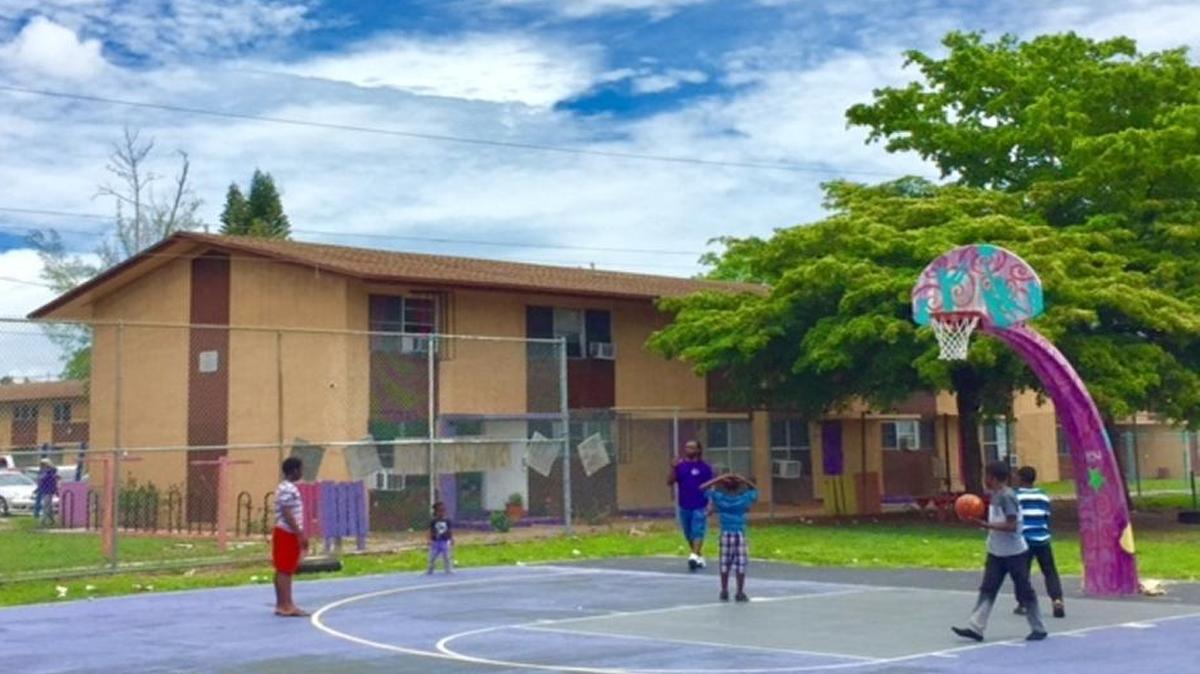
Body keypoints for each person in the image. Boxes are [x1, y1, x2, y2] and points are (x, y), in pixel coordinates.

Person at [953, 460, 1047, 642]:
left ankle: (1038, 627)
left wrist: (985, 524)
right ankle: (976, 627)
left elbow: (1012, 525)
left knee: (1024, 590)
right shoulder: (995, 495)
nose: (984, 479)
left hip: (1014, 552)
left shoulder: (1007, 497)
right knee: (988, 588)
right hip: (996, 551)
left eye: (986, 476)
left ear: (993, 478)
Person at [1013, 466, 1065, 618]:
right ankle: (1057, 599)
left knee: (1022, 572)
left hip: (1025, 539)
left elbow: (1014, 517)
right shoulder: (1043, 495)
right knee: (1050, 571)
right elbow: (1046, 516)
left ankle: (1023, 603)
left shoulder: (1016, 496)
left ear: (1021, 478)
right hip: (1042, 538)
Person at [701, 473, 758, 602]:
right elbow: (755, 490)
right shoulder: (744, 499)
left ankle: (724, 590)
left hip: (726, 533)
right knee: (740, 563)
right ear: (739, 487)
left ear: (724, 486)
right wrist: (743, 479)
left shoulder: (720, 498)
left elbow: (702, 488)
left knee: (725, 562)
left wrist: (719, 479)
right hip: (739, 533)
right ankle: (739, 591)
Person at [668, 439, 714, 571]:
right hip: (684, 504)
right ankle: (698, 556)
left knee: (697, 531)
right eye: (687, 447)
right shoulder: (680, 466)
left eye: (692, 448)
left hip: (700, 504)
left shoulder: (704, 468)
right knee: (689, 534)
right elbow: (670, 482)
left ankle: (693, 556)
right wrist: (673, 468)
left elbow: (710, 486)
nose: (689, 450)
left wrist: (710, 503)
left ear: (698, 450)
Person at [272, 457, 308, 617]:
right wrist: (299, 533)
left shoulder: (285, 487)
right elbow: (287, 512)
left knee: (283, 569)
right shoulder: (288, 489)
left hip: (285, 532)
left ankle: (282, 604)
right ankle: (287, 605)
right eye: (300, 469)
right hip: (287, 532)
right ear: (294, 471)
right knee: (285, 570)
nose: (302, 472)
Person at [427, 501, 454, 574]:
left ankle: (448, 570)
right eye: (440, 511)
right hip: (435, 542)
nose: (442, 513)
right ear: (436, 512)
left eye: (443, 511)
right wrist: (429, 539)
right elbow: (430, 531)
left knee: (447, 557)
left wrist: (451, 539)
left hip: (444, 541)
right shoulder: (433, 521)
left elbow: (450, 530)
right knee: (432, 557)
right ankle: (430, 569)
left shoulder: (447, 521)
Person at [33, 458, 59, 526]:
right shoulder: (44, 472)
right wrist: (37, 489)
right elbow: (41, 482)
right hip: (45, 491)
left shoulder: (50, 472)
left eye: (43, 465)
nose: (42, 466)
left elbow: (45, 480)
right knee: (48, 506)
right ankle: (52, 520)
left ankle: (43, 521)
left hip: (48, 491)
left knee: (46, 506)